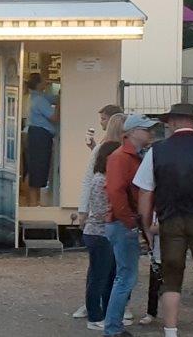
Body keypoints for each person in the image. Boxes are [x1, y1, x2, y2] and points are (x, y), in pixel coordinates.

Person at [135, 103, 193, 337]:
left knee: (172, 276)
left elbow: (145, 192)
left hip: (170, 219)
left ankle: (171, 331)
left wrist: (146, 225)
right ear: (192, 121)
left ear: (173, 122)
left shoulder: (157, 151)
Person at [103, 113, 160, 337]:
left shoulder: (127, 156)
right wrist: (130, 222)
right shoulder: (122, 157)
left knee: (124, 276)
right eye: (146, 129)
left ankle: (113, 327)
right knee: (125, 278)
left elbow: (117, 191)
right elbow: (116, 192)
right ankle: (113, 329)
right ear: (133, 132)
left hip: (122, 222)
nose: (150, 133)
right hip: (123, 223)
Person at [83, 128, 120, 331]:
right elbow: (98, 210)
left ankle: (106, 313)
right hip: (99, 233)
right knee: (98, 276)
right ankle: (94, 315)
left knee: (108, 275)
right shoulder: (100, 180)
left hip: (106, 233)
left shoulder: (105, 178)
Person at [25, 73, 59, 206]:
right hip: (40, 136)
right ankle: (34, 204)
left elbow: (52, 98)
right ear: (39, 84)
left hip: (35, 135)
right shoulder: (39, 100)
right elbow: (54, 118)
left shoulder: (36, 96)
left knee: (33, 168)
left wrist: (60, 97)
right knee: (38, 169)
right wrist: (60, 105)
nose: (46, 82)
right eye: (44, 80)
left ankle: (33, 202)